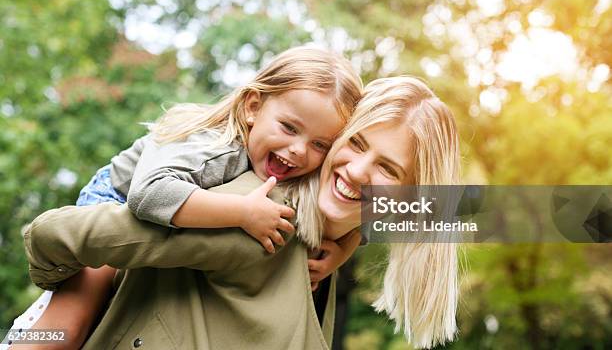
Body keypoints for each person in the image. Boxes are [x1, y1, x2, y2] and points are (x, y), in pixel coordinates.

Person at [20, 76, 461, 349]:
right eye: (357, 145)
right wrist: (63, 291)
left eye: (387, 168)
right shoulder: (260, 217)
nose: (359, 171)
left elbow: (486, 211)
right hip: (123, 194)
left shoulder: (328, 240)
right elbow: (57, 233)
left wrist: (345, 248)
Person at [4, 46, 363, 349]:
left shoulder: (298, 170)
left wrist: (343, 249)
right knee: (67, 326)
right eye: (289, 128)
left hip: (168, 207)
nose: (299, 150)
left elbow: (375, 208)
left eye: (320, 144)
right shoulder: (212, 148)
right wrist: (241, 212)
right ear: (253, 107)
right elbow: (148, 195)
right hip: (117, 196)